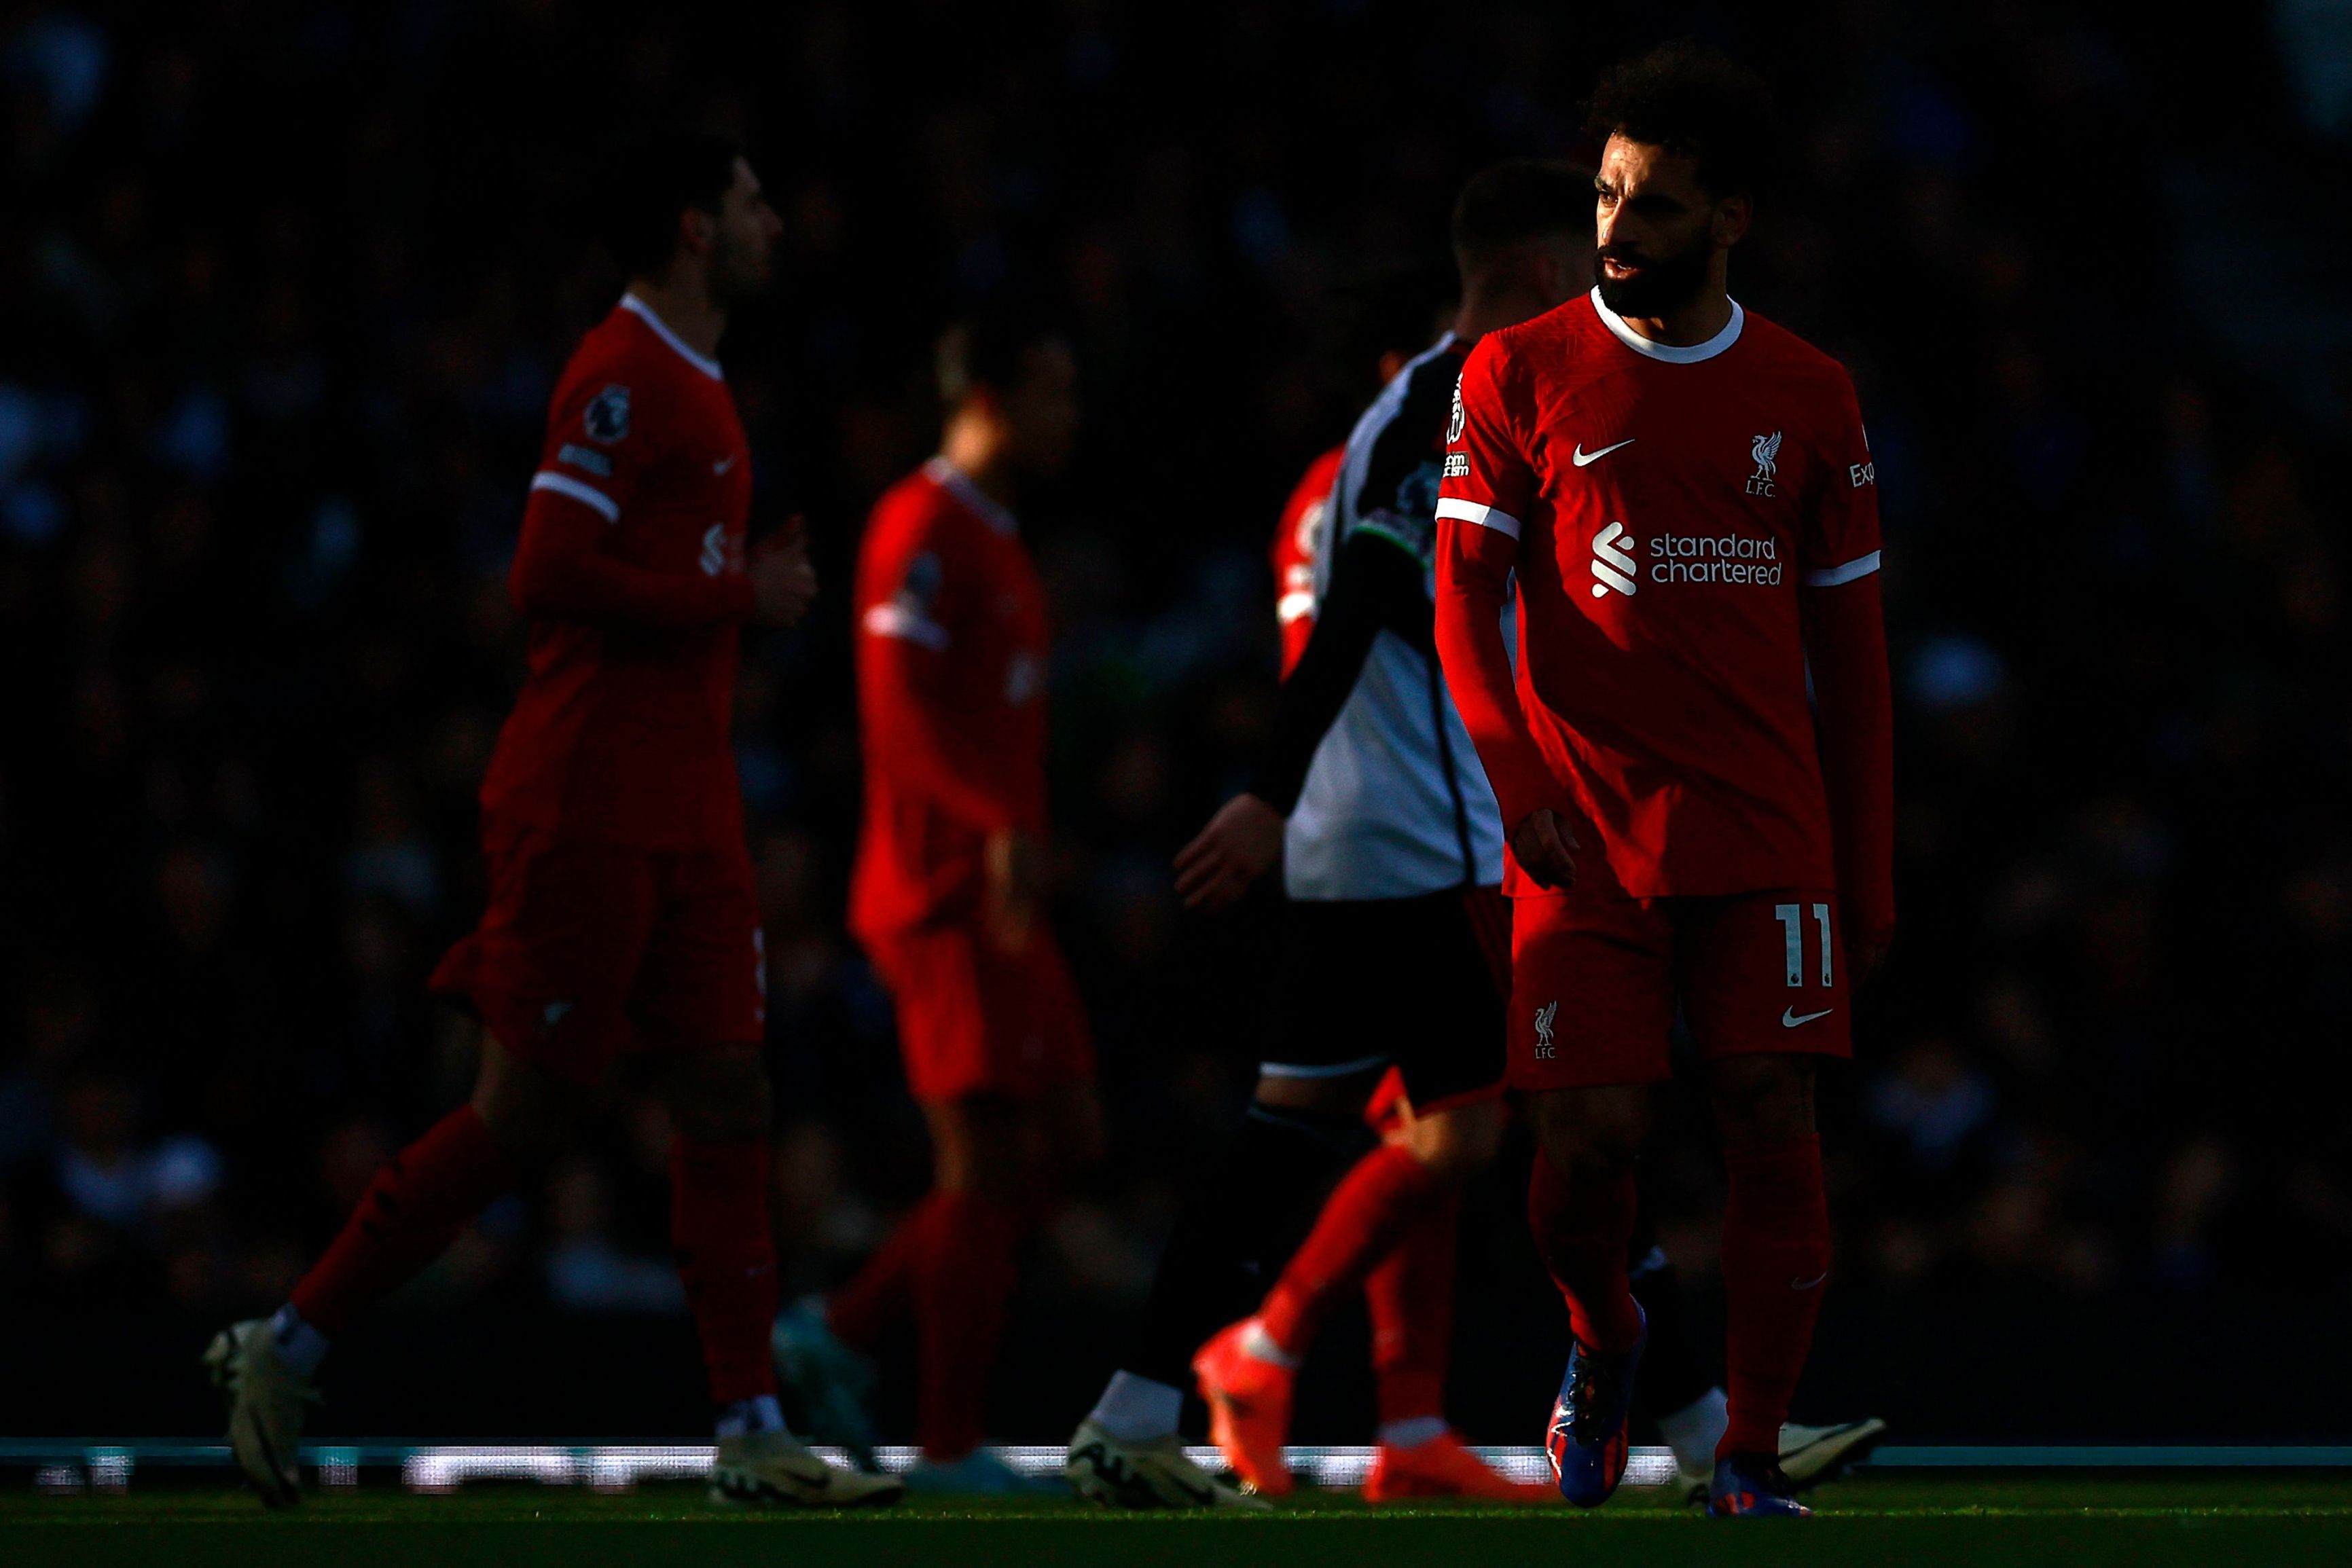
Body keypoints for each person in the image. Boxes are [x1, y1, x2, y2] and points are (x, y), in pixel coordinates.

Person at [204, 129, 899, 1511]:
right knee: (525, 1116)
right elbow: (544, 571)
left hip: (689, 806)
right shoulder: (621, 372)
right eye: (754, 200)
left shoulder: (696, 375)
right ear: (697, 228)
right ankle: (285, 1344)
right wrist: (733, 600)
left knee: (728, 1091)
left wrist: (730, 586)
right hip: (583, 801)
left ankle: (751, 1428)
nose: (775, 219)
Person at [1065, 162, 1591, 1508]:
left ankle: (1171, 1399)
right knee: (1544, 1109)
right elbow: (1385, 619)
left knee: (1368, 1131)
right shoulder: (1444, 420)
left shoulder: (1324, 477)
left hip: (1353, 836)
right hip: (1424, 836)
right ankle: (1708, 1421)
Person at [1432, 43, 1896, 1519]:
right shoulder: (1519, 369)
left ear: (1732, 223)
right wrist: (1514, 783)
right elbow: (1459, 603)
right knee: (1585, 1145)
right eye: (1609, 194)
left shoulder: (1810, 394)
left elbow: (1858, 661)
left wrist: (1867, 869)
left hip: (1763, 828)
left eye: (1656, 204)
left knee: (1769, 1111)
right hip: (1581, 831)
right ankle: (1604, 1335)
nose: (1619, 228)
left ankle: (1748, 1456)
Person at [770, 316, 1100, 1495]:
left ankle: (843, 1327)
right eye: (1056, 391)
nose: (1074, 416)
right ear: (995, 400)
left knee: (1067, 1139)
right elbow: (898, 711)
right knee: (983, 1153)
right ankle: (951, 1443)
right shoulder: (923, 523)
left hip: (998, 892)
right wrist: (998, 822)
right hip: (938, 890)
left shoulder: (1002, 537)